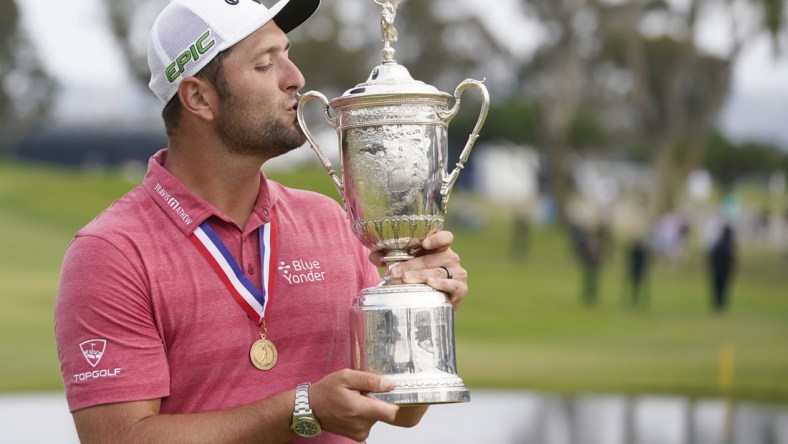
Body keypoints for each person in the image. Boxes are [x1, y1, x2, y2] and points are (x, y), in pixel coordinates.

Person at [53, 1, 468, 443]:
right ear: (198, 97)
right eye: (265, 64)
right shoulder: (112, 252)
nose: (295, 78)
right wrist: (300, 408)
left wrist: (422, 310)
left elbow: (398, 409)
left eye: (287, 54)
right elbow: (118, 439)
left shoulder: (330, 221)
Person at [707, 223, 736, 312]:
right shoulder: (729, 246)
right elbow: (732, 260)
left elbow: (711, 256)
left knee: (716, 287)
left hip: (716, 270)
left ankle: (716, 303)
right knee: (724, 288)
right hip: (725, 270)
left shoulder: (717, 244)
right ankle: (722, 303)